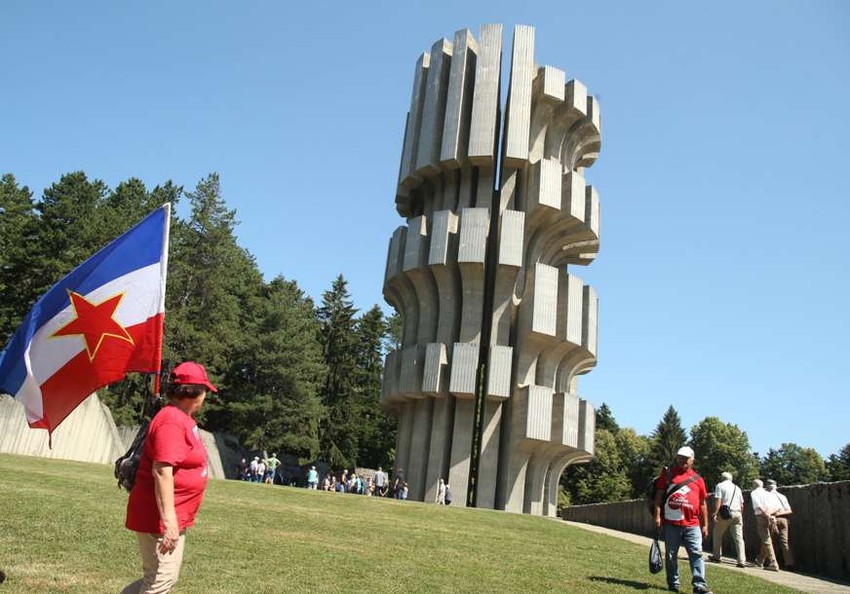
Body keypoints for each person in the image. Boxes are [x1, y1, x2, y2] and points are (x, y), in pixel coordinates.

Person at [122, 361, 217, 594]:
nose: (206, 396)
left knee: (164, 578)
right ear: (192, 392)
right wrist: (169, 522)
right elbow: (162, 471)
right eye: (205, 390)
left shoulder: (181, 418)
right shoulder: (171, 421)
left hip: (174, 513)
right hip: (159, 517)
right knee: (159, 581)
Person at [653, 445, 713, 594]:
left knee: (696, 553)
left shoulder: (698, 479)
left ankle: (699, 585)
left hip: (692, 524)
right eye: (680, 458)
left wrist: (705, 525)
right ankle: (673, 583)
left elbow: (702, 504)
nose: (682, 461)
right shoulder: (668, 474)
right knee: (671, 555)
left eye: (685, 459)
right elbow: (659, 496)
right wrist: (657, 515)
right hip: (671, 522)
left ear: (692, 460)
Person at [708, 471, 745, 568]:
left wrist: (715, 513)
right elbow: (742, 504)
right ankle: (741, 560)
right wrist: (740, 514)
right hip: (737, 513)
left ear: (722, 478)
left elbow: (718, 500)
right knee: (739, 538)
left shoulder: (720, 486)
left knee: (717, 534)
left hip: (725, 514)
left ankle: (716, 556)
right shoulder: (737, 488)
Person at [750, 479, 780, 571]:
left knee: (766, 540)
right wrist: (770, 514)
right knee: (766, 539)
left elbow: (758, 506)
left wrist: (766, 514)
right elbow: (777, 507)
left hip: (762, 516)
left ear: (754, 485)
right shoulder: (768, 494)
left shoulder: (754, 493)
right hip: (772, 516)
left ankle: (773, 562)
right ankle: (760, 560)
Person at [765, 479, 794, 570]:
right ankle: (789, 563)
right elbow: (789, 510)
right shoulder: (782, 496)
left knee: (769, 541)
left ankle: (769, 561)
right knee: (785, 542)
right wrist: (781, 513)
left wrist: (775, 514)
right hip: (784, 519)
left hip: (773, 519)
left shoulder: (767, 496)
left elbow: (767, 510)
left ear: (767, 487)